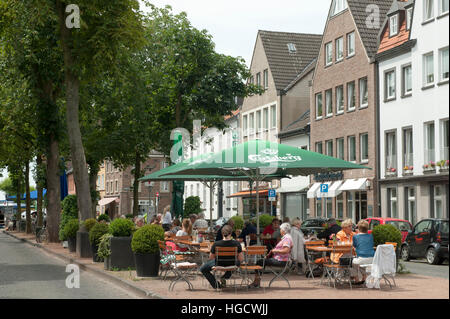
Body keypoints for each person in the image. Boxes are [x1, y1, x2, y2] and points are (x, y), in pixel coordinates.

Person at [248, 223, 293, 288]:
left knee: (260, 262)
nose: (279, 230)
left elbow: (286, 250)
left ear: (283, 230)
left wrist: (274, 250)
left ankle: (256, 282)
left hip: (281, 261)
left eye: (280, 229)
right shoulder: (286, 237)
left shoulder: (287, 238)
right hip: (280, 259)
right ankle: (257, 281)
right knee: (261, 261)